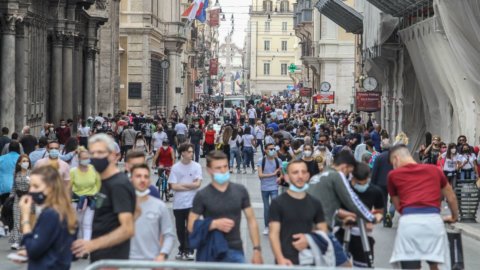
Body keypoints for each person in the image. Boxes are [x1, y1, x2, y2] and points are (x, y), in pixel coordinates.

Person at [387, 144, 459, 269]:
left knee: (410, 265)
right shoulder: (435, 170)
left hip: (409, 223)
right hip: (433, 222)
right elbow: (451, 197)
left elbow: (398, 205)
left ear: (396, 159)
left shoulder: (393, 176)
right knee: (436, 263)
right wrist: (453, 217)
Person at [188, 151, 263, 264]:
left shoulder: (240, 190)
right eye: (218, 168)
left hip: (235, 250)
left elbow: (251, 220)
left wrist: (257, 250)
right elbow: (190, 225)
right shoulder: (202, 195)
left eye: (225, 166)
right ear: (209, 170)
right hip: (211, 250)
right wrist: (213, 224)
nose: (223, 171)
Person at [71, 134, 136, 262]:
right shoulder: (102, 181)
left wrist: (93, 244)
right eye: (93, 153)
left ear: (113, 155)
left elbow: (127, 229)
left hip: (112, 259)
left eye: (100, 152)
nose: (95, 157)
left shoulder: (119, 185)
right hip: (100, 258)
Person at [269, 160, 338, 266]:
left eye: (303, 172)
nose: (300, 176)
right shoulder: (277, 203)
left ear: (308, 176)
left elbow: (323, 230)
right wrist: (280, 259)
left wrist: (310, 240)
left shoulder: (315, 202)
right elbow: (273, 233)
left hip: (310, 260)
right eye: (295, 172)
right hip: (287, 261)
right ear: (287, 177)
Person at [17, 166, 77, 269]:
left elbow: (33, 249)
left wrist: (25, 218)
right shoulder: (66, 211)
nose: (31, 190)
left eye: (36, 186)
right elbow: (68, 252)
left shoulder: (50, 214)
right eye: (30, 186)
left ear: (50, 188)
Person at [307, 150, 377, 227]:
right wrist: (372, 217)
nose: (348, 176)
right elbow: (351, 200)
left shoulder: (317, 177)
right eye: (348, 172)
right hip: (321, 227)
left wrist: (340, 222)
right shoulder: (337, 175)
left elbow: (327, 206)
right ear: (344, 167)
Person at [129, 164, 175, 261]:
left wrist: (163, 254)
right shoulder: (122, 204)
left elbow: (168, 234)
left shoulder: (160, 206)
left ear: (149, 180)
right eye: (138, 176)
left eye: (146, 176)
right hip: (127, 262)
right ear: (131, 179)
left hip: (151, 262)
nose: (142, 180)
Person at [342, 163, 384, 267]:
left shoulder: (375, 191)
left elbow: (379, 212)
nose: (361, 186)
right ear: (353, 177)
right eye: (358, 183)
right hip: (343, 230)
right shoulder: (344, 188)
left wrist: (375, 219)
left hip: (363, 233)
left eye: (363, 183)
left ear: (368, 177)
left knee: (363, 265)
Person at [168, 143, 203, 260]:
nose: (191, 153)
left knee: (190, 227)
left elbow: (197, 184)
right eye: (189, 151)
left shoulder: (197, 166)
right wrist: (190, 185)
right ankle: (182, 248)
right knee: (179, 229)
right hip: (178, 203)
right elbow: (173, 186)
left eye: (192, 151)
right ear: (182, 153)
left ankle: (189, 250)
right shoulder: (175, 167)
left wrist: (182, 184)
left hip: (192, 202)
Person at [70, 147, 101, 241]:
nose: (86, 160)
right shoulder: (73, 171)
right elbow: (69, 187)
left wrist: (97, 198)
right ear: (78, 159)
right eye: (83, 158)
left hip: (91, 200)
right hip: (77, 200)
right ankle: (79, 242)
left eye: (87, 158)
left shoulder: (93, 170)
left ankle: (86, 246)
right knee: (78, 222)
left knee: (87, 223)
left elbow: (98, 184)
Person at [257, 143, 282, 235]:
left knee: (275, 206)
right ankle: (266, 226)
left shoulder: (278, 160)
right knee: (266, 208)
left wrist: (280, 177)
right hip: (264, 187)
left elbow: (281, 171)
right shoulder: (261, 161)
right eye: (270, 149)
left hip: (274, 187)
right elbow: (260, 175)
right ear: (265, 150)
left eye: (273, 149)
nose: (272, 150)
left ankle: (275, 225)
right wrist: (274, 174)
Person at [9, 154, 31, 250]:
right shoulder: (16, 173)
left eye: (27, 161)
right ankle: (17, 241)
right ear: (19, 163)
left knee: (26, 220)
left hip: (28, 199)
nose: (25, 163)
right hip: (18, 199)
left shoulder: (31, 173)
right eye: (23, 161)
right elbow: (14, 186)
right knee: (17, 219)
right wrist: (11, 197)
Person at [371, 139, 395, 227]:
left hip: (381, 183)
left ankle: (385, 220)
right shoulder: (395, 157)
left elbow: (374, 172)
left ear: (381, 146)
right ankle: (391, 213)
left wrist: (372, 184)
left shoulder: (379, 157)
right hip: (393, 182)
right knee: (394, 199)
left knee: (383, 202)